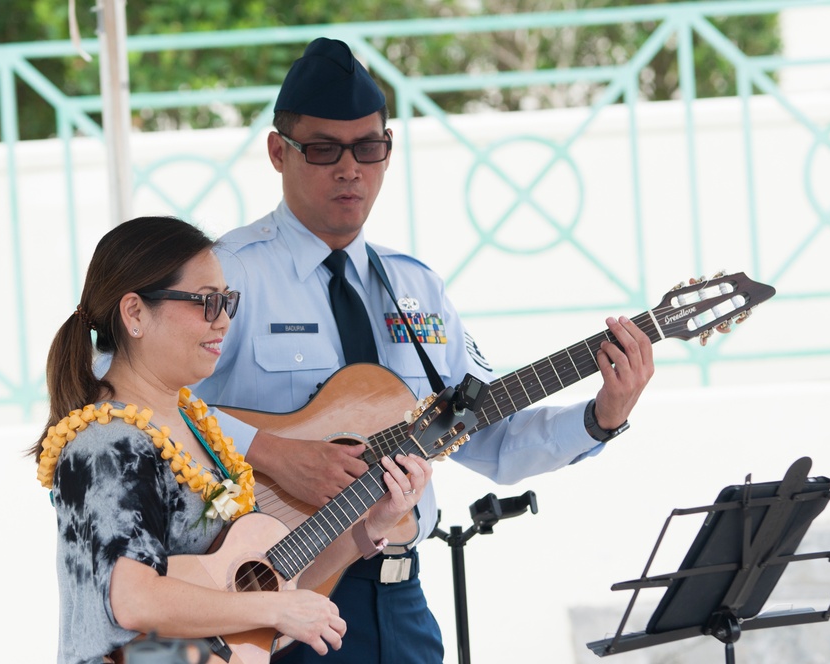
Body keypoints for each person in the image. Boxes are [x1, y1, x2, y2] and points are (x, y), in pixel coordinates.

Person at [192, 38, 656, 663]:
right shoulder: (225, 274)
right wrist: (275, 454)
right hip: (269, 594)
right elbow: (126, 400)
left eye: (369, 147)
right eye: (325, 149)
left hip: (399, 596)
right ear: (279, 152)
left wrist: (604, 415)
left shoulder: (416, 286)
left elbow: (492, 437)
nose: (350, 169)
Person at [30, 215, 432, 664]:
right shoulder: (106, 442)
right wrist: (277, 607)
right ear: (135, 313)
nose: (223, 321)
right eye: (205, 302)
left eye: (227, 301)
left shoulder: (198, 428)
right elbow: (134, 599)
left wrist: (372, 523)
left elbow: (271, 578)